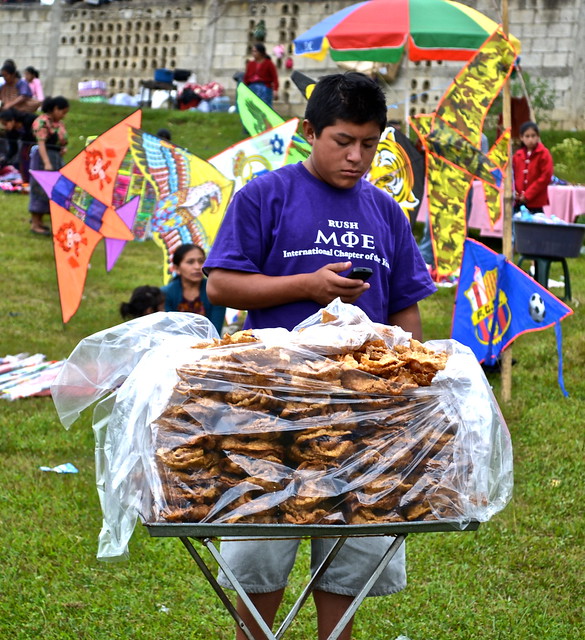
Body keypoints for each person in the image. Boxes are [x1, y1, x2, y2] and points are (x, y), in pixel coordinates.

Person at [205, 72, 436, 640]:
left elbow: (406, 306)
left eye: (370, 143)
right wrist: (305, 286)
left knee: (349, 560)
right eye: (342, 141)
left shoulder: (386, 212)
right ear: (309, 131)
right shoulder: (265, 195)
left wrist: (414, 378)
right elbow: (222, 287)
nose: (356, 157)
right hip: (273, 408)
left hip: (363, 413)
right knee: (261, 557)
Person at [161, 243, 226, 335]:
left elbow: (215, 329)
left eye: (201, 261)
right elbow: (167, 329)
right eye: (190, 262)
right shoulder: (165, 294)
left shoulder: (216, 292)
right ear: (177, 268)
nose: (197, 267)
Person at [28, 95, 69, 235]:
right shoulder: (42, 122)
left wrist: (63, 149)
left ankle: (44, 221)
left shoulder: (59, 124)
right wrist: (46, 162)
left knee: (54, 190)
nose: (63, 115)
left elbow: (62, 141)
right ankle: (35, 223)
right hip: (42, 158)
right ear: (55, 108)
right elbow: (41, 143)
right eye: (62, 112)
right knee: (39, 189)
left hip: (56, 158)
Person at [512, 120, 554, 214]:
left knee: (535, 227)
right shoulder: (517, 155)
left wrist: (527, 195)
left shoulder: (544, 154)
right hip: (518, 201)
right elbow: (512, 175)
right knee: (517, 227)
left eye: (533, 136)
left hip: (536, 202)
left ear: (538, 137)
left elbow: (545, 177)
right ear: (521, 137)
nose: (530, 139)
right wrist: (514, 192)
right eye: (527, 136)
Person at [0, 107, 37, 182]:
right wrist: (4, 159)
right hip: (26, 147)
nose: (5, 126)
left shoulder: (29, 119)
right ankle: (27, 181)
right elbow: (13, 149)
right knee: (23, 157)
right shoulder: (10, 132)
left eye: (5, 123)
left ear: (12, 120)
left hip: (38, 144)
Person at [243, 43, 279, 107]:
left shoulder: (269, 63)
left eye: (255, 51)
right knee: (252, 107)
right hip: (252, 87)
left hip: (265, 88)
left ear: (261, 52)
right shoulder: (251, 64)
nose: (253, 53)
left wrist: (275, 90)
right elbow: (246, 78)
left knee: (264, 106)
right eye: (253, 51)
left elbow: (274, 77)